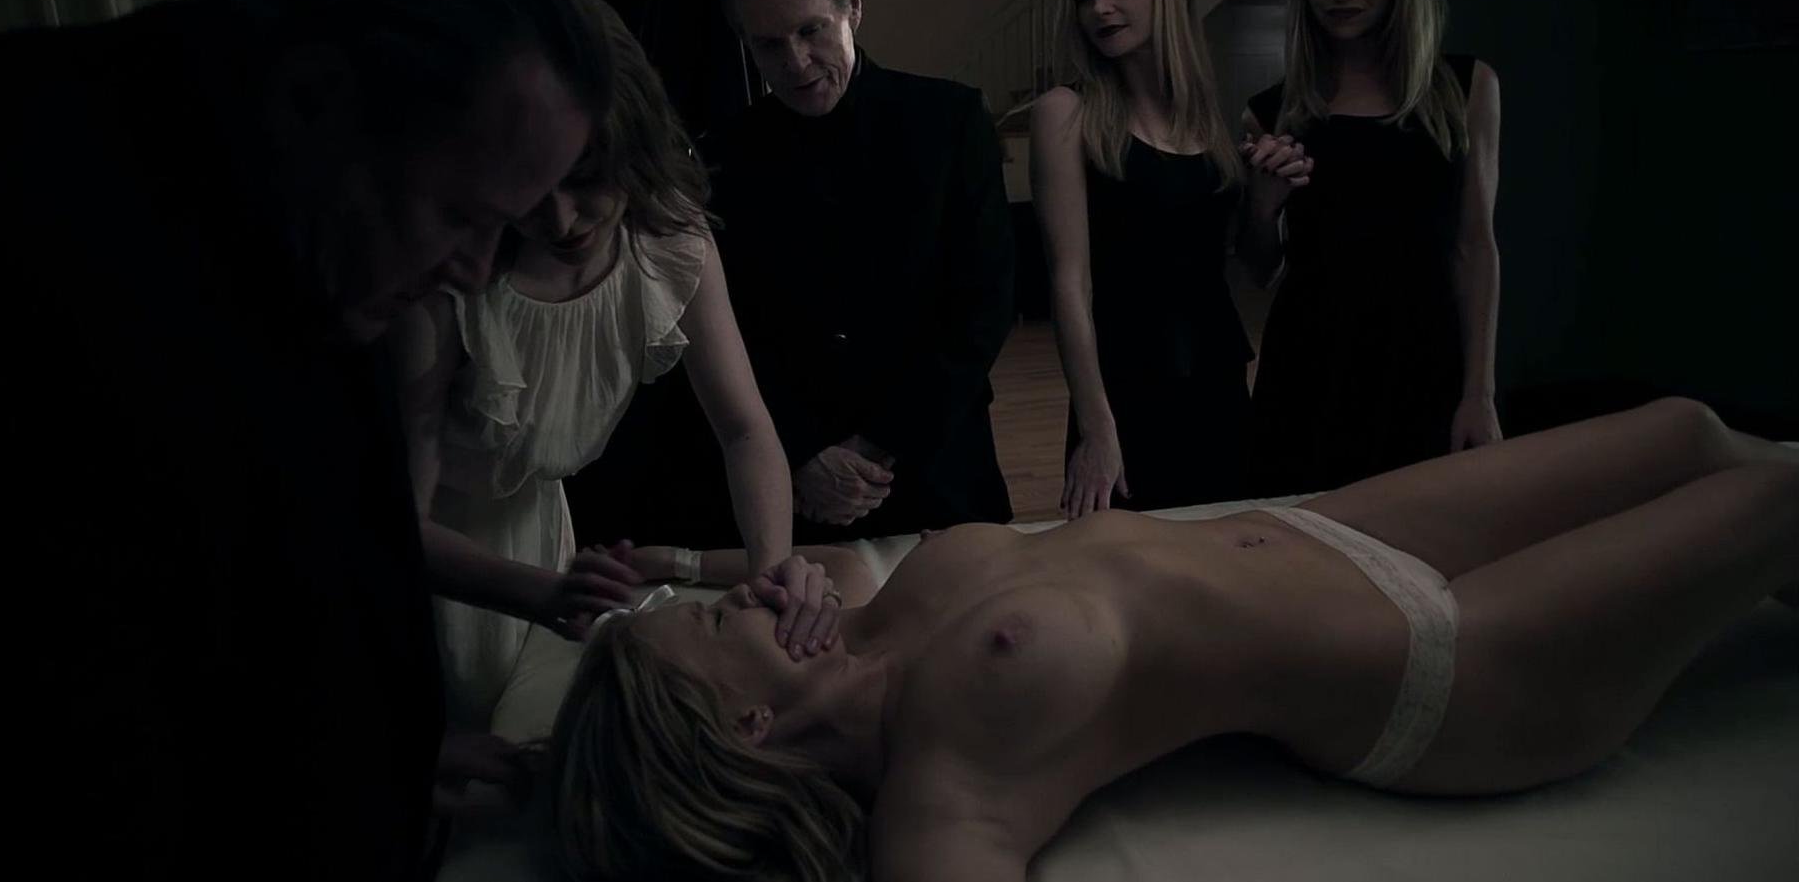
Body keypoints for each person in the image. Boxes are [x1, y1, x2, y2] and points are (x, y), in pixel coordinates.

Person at [0, 0, 611, 879]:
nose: (477, 268)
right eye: (461, 214)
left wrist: (386, 749)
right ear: (316, 94)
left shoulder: (313, 231)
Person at [547, 398, 1796, 880]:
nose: (736, 602)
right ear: (747, 725)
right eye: (711, 626)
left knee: (1690, 430)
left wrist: (686, 574)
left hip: (1335, 525)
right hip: (1449, 661)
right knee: (1775, 501)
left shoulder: (859, 617)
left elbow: (789, 569)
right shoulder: (938, 790)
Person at [388, 6, 839, 729]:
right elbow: (394, 521)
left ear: (632, 143)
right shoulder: (453, 280)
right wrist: (538, 593)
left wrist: (768, 578)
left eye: (585, 178)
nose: (561, 220)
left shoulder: (669, 241)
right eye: (530, 188)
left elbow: (745, 429)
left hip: (539, 539)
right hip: (435, 563)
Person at [696, 0, 1016, 541]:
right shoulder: (721, 157)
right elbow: (733, 330)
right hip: (794, 485)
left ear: (854, 7)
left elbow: (984, 308)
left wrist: (875, 447)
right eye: (768, 44)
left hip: (941, 467)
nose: (795, 62)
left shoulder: (950, 121)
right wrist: (803, 452)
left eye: (810, 30)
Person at [1239, 0, 1503, 495]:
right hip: (1308, 369)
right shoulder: (1273, 110)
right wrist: (1263, 205)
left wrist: (1479, 392)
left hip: (1424, 363)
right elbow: (1258, 267)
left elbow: (1475, 248)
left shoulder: (1466, 90)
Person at [1031, 0, 1262, 516]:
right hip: (1123, 396)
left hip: (1218, 385)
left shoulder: (1209, 121)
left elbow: (1245, 264)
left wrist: (1269, 194)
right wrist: (1097, 428)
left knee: (1224, 559)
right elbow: (1070, 284)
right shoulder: (1066, 113)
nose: (1100, 8)